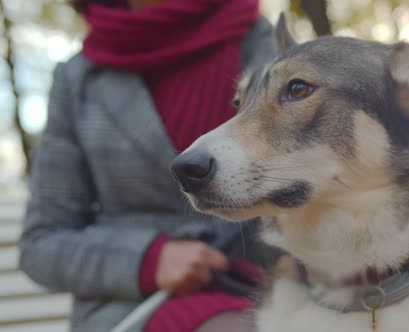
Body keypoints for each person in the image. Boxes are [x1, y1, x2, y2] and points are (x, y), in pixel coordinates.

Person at [18, 0, 277, 331]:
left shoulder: (266, 46)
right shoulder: (78, 80)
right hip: (137, 306)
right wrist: (146, 260)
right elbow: (40, 244)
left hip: (276, 287)